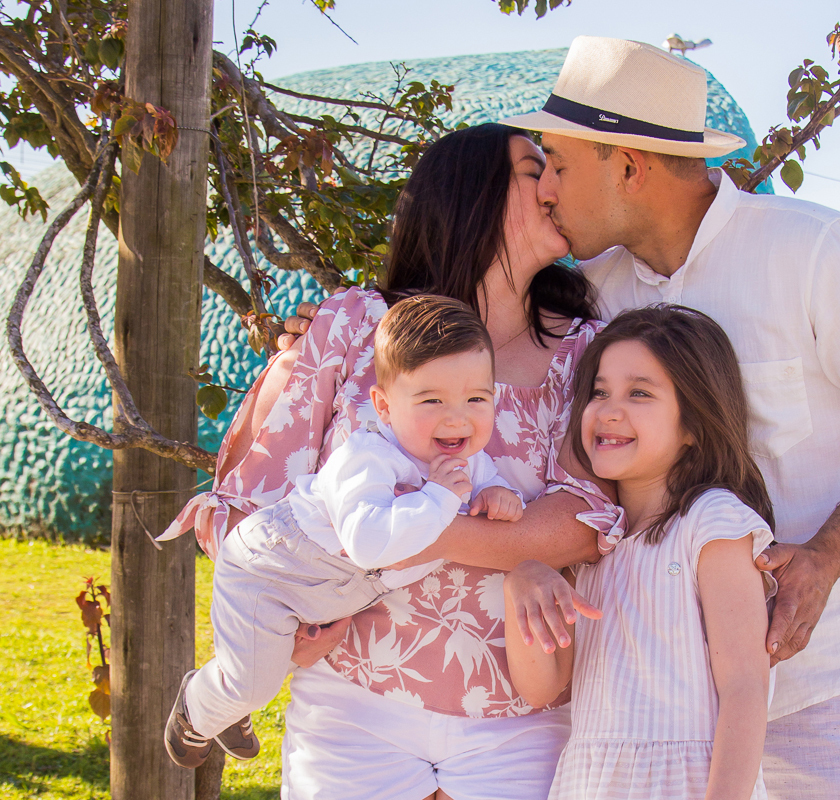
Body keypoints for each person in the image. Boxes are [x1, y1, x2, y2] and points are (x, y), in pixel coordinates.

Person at [497, 36, 840, 798]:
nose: (546, 189)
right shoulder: (593, 290)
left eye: (558, 164)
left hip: (831, 677)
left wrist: (824, 558)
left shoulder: (820, 253)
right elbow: (482, 333)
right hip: (658, 722)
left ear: (629, 167)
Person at [164, 124, 623, 800]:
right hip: (351, 706)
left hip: (519, 720)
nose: (553, 185)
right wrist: (285, 620)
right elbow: (255, 492)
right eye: (535, 170)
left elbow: (583, 522)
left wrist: (383, 535)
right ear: (471, 194)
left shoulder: (587, 352)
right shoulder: (357, 324)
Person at [162, 295, 525, 770]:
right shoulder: (366, 457)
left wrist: (500, 495)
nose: (457, 417)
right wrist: (437, 497)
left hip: (319, 588)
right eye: (432, 400)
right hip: (267, 571)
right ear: (384, 406)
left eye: (476, 399)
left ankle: (233, 702)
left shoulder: (466, 460)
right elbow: (369, 544)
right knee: (250, 682)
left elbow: (487, 479)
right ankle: (196, 709)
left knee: (263, 667)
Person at [505, 306, 775, 800]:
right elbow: (542, 688)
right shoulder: (590, 545)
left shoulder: (711, 522)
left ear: (694, 423)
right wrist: (520, 580)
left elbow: (745, 687)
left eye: (639, 393)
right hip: (592, 785)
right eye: (599, 392)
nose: (609, 410)